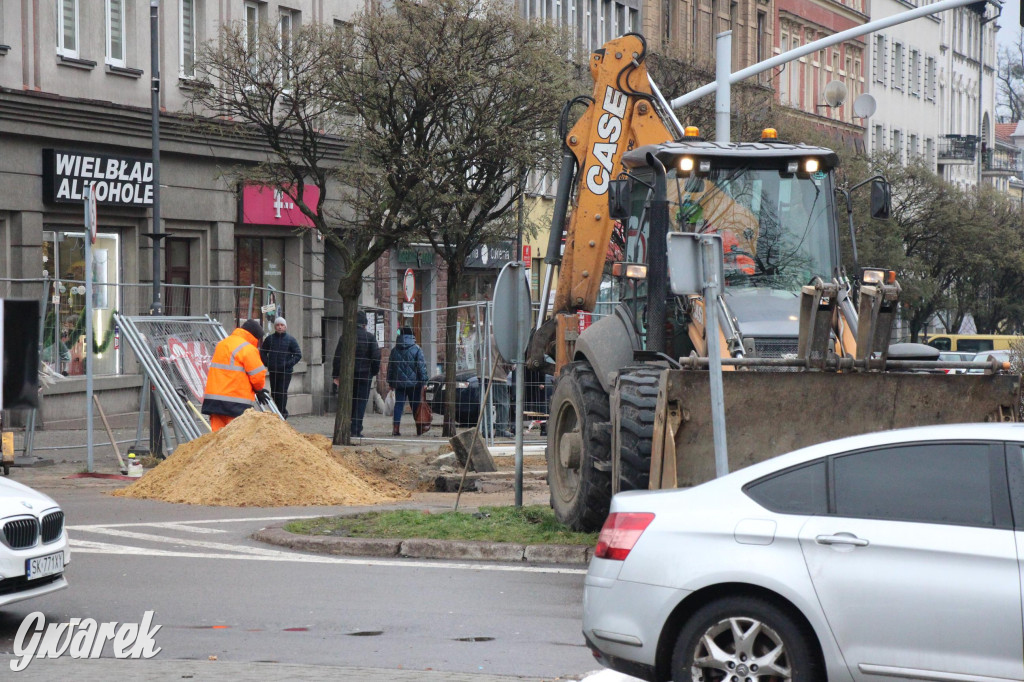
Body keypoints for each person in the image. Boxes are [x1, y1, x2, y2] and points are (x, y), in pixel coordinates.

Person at [201, 319, 268, 432]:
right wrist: (259, 390)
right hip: (236, 403)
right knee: (235, 440)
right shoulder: (248, 349)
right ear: (255, 336)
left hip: (214, 401)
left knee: (217, 439)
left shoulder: (222, 344)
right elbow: (258, 375)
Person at [386, 326, 428, 436]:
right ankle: (419, 428)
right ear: (412, 336)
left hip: (399, 384)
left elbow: (390, 367)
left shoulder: (394, 350)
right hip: (414, 384)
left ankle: (396, 428)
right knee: (415, 405)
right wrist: (424, 381)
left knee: (399, 405)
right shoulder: (417, 349)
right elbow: (421, 367)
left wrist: (390, 382)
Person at [259, 317, 302, 418]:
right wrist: (267, 363)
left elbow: (298, 355)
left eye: (282, 325)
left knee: (282, 392)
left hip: (285, 372)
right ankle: (277, 412)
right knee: (274, 392)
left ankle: (282, 413)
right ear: (275, 327)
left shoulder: (291, 340)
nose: (280, 327)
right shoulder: (270, 339)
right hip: (273, 371)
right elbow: (263, 352)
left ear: (285, 327)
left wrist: (287, 364)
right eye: (278, 325)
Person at [347, 311, 381, 437]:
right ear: (365, 324)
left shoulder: (347, 336)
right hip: (365, 375)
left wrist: (336, 374)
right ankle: (356, 429)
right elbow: (376, 356)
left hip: (349, 376)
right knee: (361, 402)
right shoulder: (370, 337)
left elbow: (338, 356)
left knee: (349, 401)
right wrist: (373, 371)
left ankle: (347, 427)